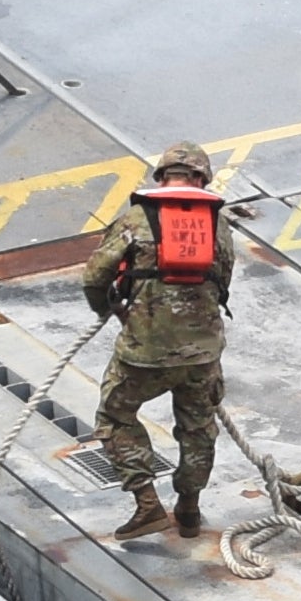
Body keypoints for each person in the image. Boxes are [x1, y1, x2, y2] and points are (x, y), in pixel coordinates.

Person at [86, 141, 234, 539]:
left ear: (161, 176)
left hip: (145, 353)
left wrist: (107, 308)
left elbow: (94, 276)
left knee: (115, 417)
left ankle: (147, 505)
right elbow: (223, 281)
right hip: (203, 352)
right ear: (201, 178)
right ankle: (188, 507)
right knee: (198, 426)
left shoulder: (136, 219)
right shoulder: (218, 224)